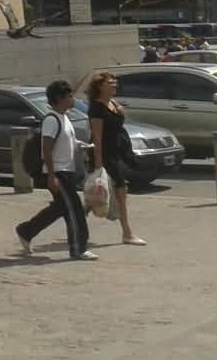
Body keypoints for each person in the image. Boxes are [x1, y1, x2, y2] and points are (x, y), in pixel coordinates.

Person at [16, 80, 95, 261]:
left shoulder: (64, 117)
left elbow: (66, 141)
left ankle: (26, 231)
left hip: (67, 171)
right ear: (60, 99)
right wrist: (51, 176)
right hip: (58, 173)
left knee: (61, 208)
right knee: (74, 210)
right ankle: (78, 248)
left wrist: (80, 146)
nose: (72, 99)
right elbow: (47, 149)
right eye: (69, 96)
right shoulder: (51, 120)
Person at [87, 72, 147, 248]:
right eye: (110, 83)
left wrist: (120, 111)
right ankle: (127, 233)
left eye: (115, 83)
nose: (114, 85)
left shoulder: (112, 103)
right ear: (100, 87)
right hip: (104, 155)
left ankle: (74, 217)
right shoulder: (96, 109)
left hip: (116, 152)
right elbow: (96, 138)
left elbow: (117, 122)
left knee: (99, 193)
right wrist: (98, 163)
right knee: (120, 189)